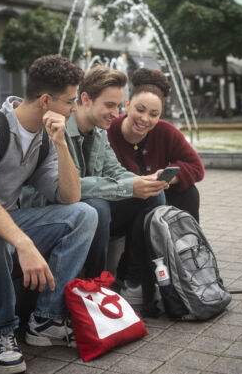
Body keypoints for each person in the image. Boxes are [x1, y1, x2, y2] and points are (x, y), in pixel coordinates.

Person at [0, 55, 98, 374]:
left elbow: (70, 196)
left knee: (84, 215)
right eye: (70, 101)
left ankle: (45, 320)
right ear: (46, 100)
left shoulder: (43, 140)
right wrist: (24, 244)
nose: (74, 108)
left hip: (8, 220)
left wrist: (61, 145)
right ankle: (0, 333)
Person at [64, 65, 168, 305]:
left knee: (153, 196)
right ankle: (96, 288)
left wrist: (141, 181)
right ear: (86, 99)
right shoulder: (61, 131)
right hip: (62, 208)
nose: (116, 112)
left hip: (95, 212)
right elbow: (70, 187)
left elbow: (114, 171)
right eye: (109, 105)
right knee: (97, 207)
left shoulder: (100, 132)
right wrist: (128, 187)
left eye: (118, 106)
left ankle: (134, 282)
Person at [107, 67, 205, 222]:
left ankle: (189, 243)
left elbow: (196, 167)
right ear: (127, 104)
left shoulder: (165, 131)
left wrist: (164, 177)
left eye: (154, 114)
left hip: (156, 197)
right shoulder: (108, 130)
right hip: (119, 200)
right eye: (140, 110)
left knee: (189, 192)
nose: (145, 119)